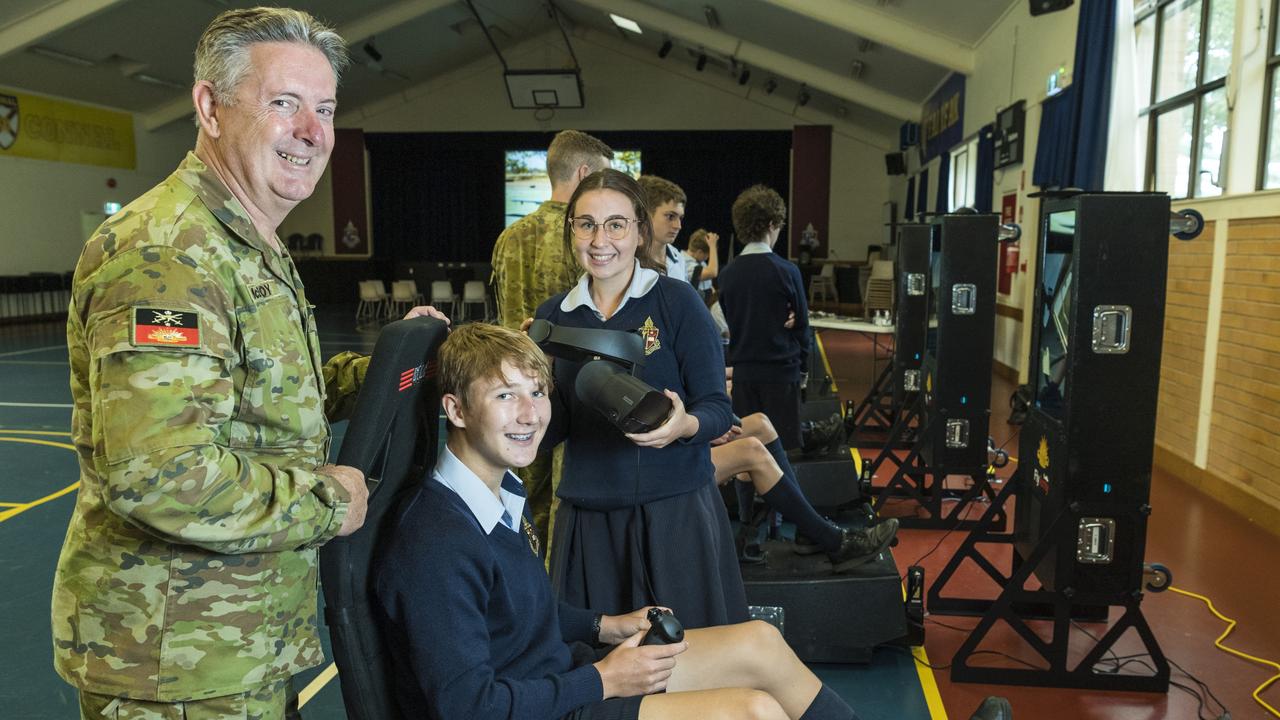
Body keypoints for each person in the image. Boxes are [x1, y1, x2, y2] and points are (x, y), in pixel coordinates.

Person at [51, 8, 445, 717]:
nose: (311, 131)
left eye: (323, 109)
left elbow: (267, 388)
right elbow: (163, 477)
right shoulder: (167, 255)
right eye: (283, 104)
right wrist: (328, 500)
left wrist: (392, 367)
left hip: (234, 644)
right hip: (175, 662)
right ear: (209, 106)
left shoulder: (244, 238)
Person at [374, 322, 862, 720]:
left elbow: (518, 613)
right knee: (754, 712)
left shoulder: (503, 489)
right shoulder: (436, 541)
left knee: (760, 642)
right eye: (504, 396)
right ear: (455, 410)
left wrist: (604, 626)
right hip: (545, 705)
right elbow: (467, 707)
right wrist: (605, 680)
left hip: (561, 677)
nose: (530, 415)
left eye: (538, 392)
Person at [535, 169, 746, 629]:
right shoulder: (552, 315)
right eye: (586, 224)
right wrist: (514, 410)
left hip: (674, 515)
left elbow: (716, 407)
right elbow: (558, 425)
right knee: (605, 677)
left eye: (616, 224)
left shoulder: (677, 302)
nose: (600, 239)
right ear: (571, 229)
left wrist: (683, 425)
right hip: (589, 522)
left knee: (690, 666)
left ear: (638, 232)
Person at [491, 129, 615, 547]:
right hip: (568, 396)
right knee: (564, 516)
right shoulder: (588, 241)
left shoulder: (509, 238)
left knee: (518, 504)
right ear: (583, 173)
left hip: (510, 393)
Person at [717, 184, 810, 452]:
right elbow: (802, 326)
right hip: (782, 372)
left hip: (744, 374)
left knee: (746, 449)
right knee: (779, 452)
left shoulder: (727, 275)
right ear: (773, 223)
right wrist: (803, 368)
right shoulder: (787, 271)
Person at [637, 174, 688, 280]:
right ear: (645, 215)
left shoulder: (678, 258)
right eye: (670, 216)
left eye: (680, 218)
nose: (678, 226)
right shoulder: (626, 260)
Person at [682, 228, 720, 300]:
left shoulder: (700, 262)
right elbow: (713, 272)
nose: (708, 258)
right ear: (699, 252)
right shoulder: (685, 264)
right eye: (707, 255)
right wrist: (712, 246)